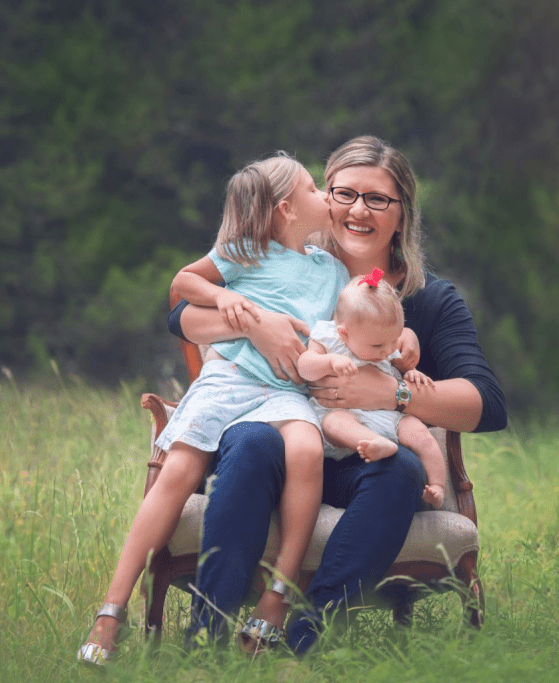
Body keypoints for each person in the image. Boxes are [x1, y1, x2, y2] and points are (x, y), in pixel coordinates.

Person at [170, 135, 508, 655]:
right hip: (278, 443)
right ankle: (206, 640)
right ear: (321, 196)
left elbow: (486, 402)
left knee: (402, 469)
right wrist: (257, 325)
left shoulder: (429, 300)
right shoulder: (285, 262)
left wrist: (391, 393)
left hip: (355, 462)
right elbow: (181, 313)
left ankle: (303, 639)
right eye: (343, 193)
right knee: (255, 441)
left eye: (377, 199)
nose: (357, 210)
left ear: (403, 214)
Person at [77, 152, 349, 666]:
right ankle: (111, 610)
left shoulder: (332, 271)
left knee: (308, 452)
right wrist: (227, 303)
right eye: (315, 189)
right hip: (229, 379)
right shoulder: (247, 251)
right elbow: (183, 284)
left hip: (289, 392)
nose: (326, 197)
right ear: (288, 210)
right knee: (178, 468)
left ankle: (277, 596)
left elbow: (338, 330)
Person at [297, 268, 446, 509]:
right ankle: (375, 442)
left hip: (388, 415)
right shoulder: (327, 339)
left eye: (394, 339)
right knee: (334, 423)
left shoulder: (385, 344)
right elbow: (304, 367)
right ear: (344, 334)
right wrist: (329, 362)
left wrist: (412, 373)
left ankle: (438, 486)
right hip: (345, 415)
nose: (388, 350)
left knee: (420, 434)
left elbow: (399, 369)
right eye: (378, 345)